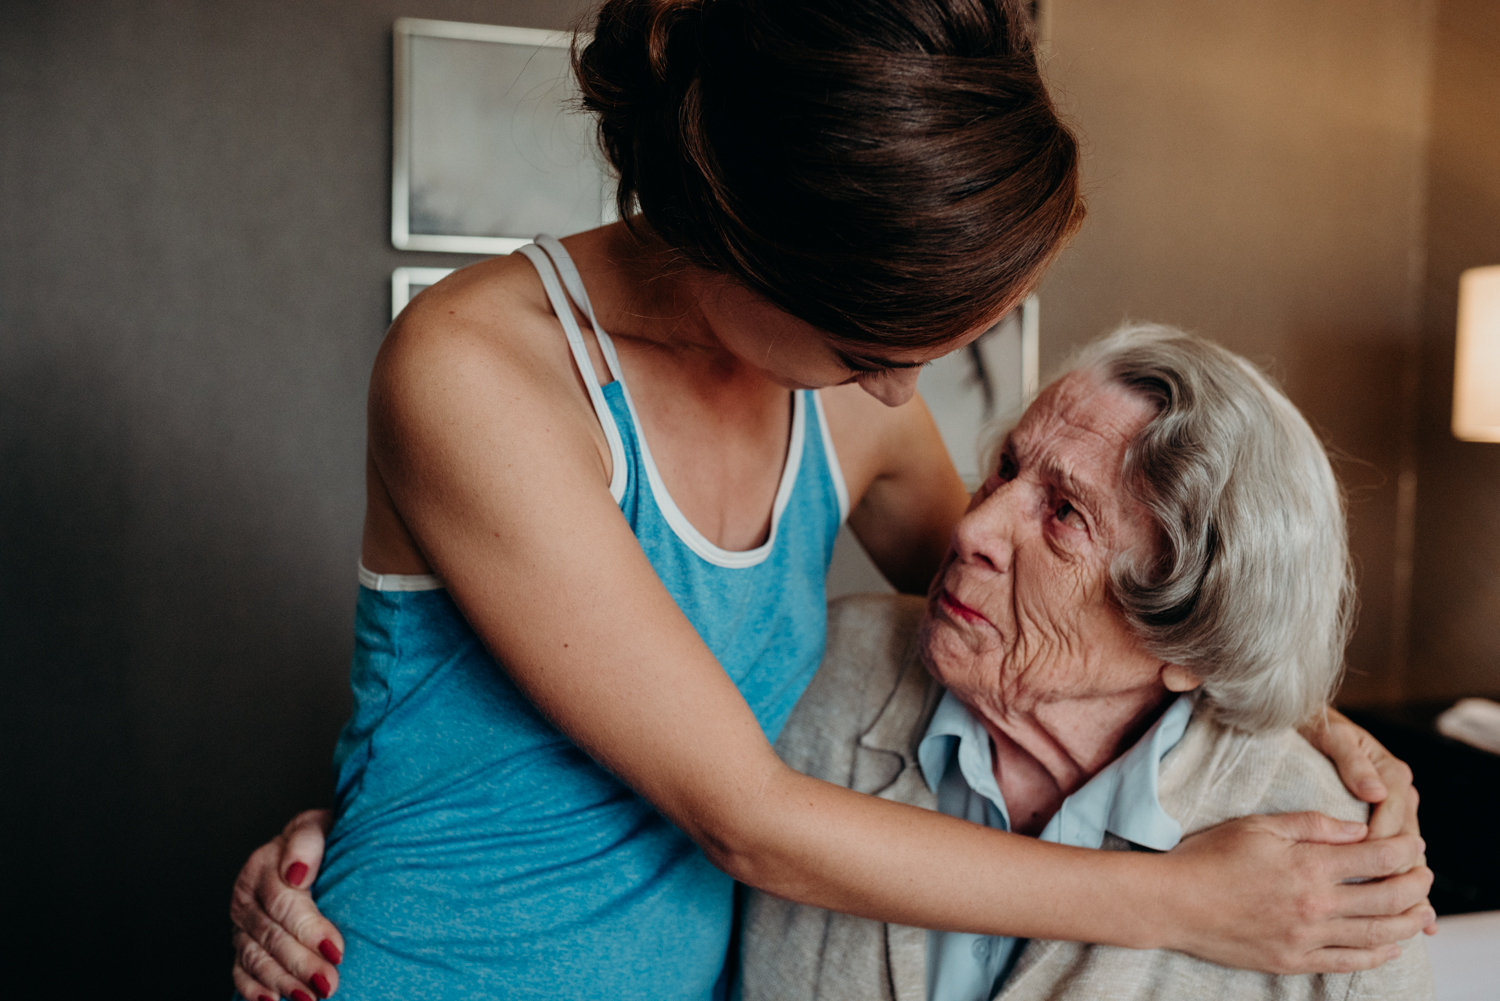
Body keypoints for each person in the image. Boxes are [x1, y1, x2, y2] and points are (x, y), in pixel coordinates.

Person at [227, 3, 1429, 1000]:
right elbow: (745, 816)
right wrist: (1186, 901)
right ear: (746, 247)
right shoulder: (473, 372)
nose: (903, 393)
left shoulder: (843, 395)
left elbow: (1059, 615)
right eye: (871, 348)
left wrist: (1301, 721)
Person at [741, 324, 1434, 1001]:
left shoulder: (1331, 876)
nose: (970, 525)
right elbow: (739, 826)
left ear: (1190, 638)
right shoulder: (821, 669)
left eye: (1066, 513)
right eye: (1006, 467)